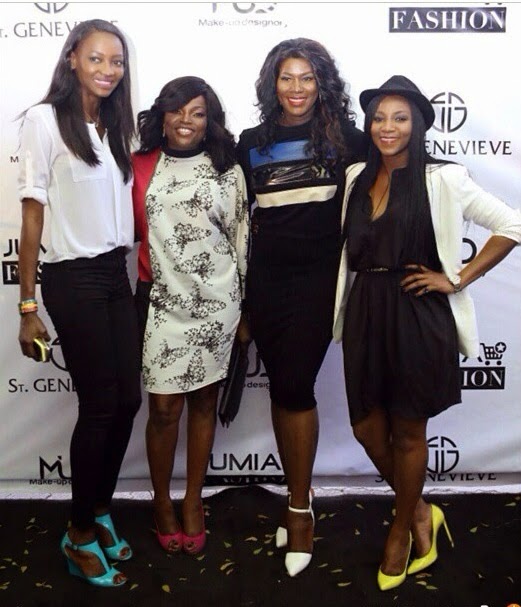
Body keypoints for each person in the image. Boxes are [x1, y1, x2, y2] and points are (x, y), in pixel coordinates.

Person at [333, 75, 521, 591]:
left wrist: (456, 278)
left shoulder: (444, 178)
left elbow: (511, 225)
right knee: (366, 427)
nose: (387, 127)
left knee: (409, 432)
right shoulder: (355, 176)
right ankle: (419, 510)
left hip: (417, 312)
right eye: (378, 117)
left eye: (399, 118)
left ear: (417, 125)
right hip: (365, 309)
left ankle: (401, 530)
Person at [17, 20, 141, 587]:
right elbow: (32, 217)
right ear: (72, 59)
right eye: (96, 59)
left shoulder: (115, 127)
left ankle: (98, 508)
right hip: (73, 278)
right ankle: (79, 535)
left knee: (128, 401)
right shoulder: (44, 122)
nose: (108, 70)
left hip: (115, 275)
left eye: (116, 61)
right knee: (100, 406)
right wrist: (27, 308)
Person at [237, 38, 367, 577]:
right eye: (287, 78)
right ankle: (300, 493)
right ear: (273, 84)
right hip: (267, 283)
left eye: (307, 78)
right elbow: (237, 218)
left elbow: (398, 179)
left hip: (319, 281)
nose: (297, 88)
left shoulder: (349, 141)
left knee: (295, 386)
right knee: (284, 388)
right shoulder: (251, 143)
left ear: (322, 84)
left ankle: (298, 511)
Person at [132, 76, 249, 556]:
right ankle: (161, 502)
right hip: (161, 302)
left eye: (197, 113)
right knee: (163, 410)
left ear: (209, 121)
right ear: (162, 115)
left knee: (203, 403)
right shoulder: (139, 166)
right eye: (177, 110)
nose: (186, 120)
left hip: (217, 305)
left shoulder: (227, 169)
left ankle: (194, 500)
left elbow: (241, 240)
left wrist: (246, 312)